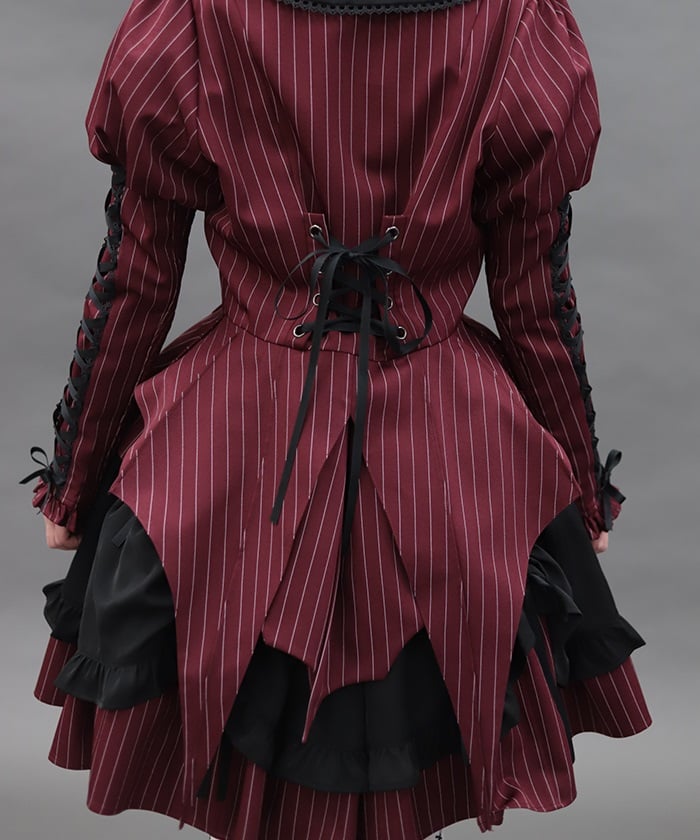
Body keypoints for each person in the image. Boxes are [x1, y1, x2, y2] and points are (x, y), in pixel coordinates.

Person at [23, 0, 651, 836]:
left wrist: (75, 479)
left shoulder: (193, 16)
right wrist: (581, 487)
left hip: (236, 449)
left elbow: (136, 276)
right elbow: (535, 293)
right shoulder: (516, 21)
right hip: (448, 449)